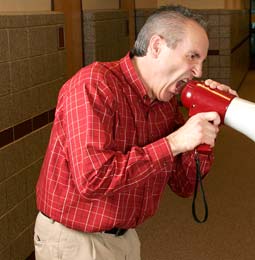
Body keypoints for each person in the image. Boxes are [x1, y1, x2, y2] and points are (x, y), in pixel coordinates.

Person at [34, 5, 236, 260]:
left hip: (125, 237)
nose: (199, 72)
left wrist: (205, 124)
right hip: (76, 240)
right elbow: (93, 180)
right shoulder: (94, 85)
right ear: (156, 46)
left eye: (202, 61)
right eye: (192, 56)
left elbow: (184, 185)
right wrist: (173, 142)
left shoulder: (164, 105)